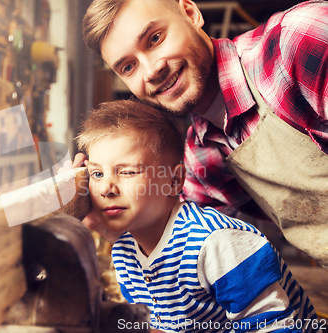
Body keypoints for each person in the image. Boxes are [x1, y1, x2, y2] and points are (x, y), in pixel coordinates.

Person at [79, 0, 328, 268]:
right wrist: (105, 220)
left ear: (190, 13)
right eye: (128, 67)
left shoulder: (297, 40)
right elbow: (177, 252)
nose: (151, 71)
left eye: (155, 39)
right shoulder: (200, 160)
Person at [76, 99, 321, 332]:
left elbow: (278, 328)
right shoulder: (125, 252)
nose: (107, 188)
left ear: (174, 181)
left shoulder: (215, 244)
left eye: (128, 172)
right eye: (97, 174)